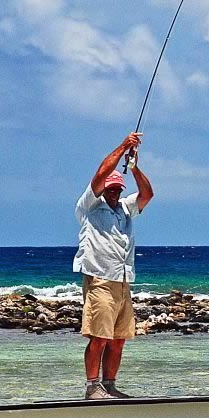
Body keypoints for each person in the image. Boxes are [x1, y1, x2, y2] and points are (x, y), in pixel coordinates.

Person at [73, 132, 154, 399]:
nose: (113, 193)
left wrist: (133, 167)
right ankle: (91, 387)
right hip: (100, 279)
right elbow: (100, 174)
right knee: (99, 337)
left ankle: (109, 385)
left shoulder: (125, 208)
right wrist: (123, 146)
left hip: (123, 281)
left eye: (117, 189)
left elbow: (147, 193)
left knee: (118, 339)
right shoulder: (89, 206)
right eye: (110, 189)